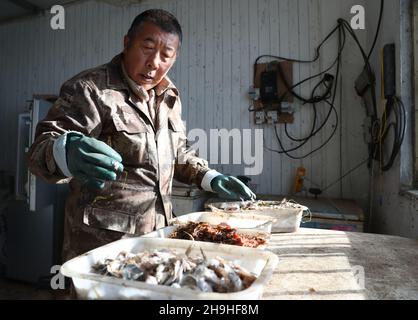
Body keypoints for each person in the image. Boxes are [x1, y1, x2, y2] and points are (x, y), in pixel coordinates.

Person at [27, 9, 255, 262]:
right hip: (101, 246)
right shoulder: (91, 88)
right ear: (127, 43)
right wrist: (63, 151)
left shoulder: (169, 95)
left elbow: (178, 151)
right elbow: (40, 149)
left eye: (166, 55)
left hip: (157, 239)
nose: (154, 63)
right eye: (147, 48)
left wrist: (210, 177)